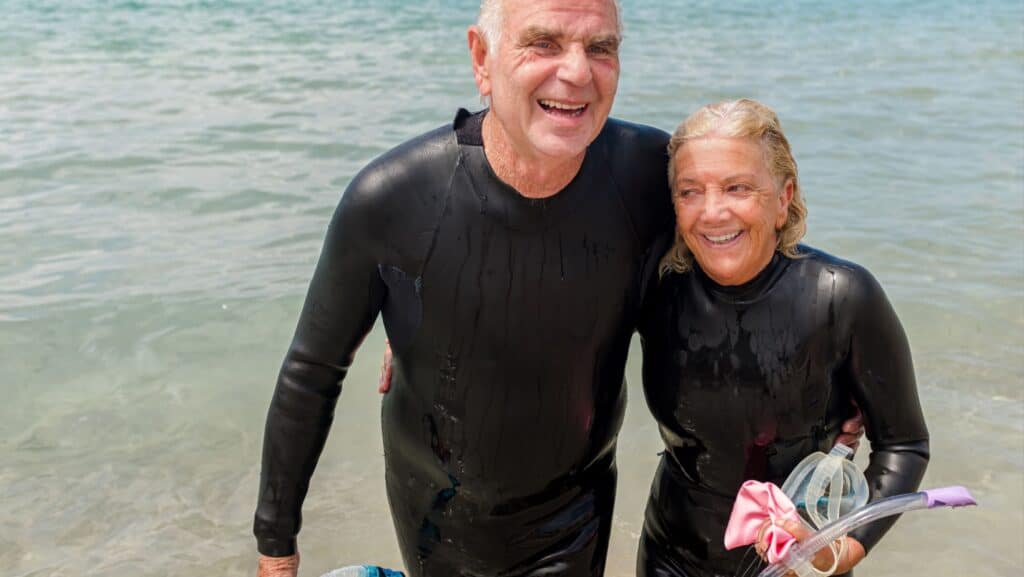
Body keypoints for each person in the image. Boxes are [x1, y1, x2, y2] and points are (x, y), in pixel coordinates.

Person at [254, 2, 674, 576]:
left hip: (575, 509)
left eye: (601, 47)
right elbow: (311, 373)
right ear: (482, 58)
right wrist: (276, 549)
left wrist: (838, 379)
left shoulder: (654, 176)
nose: (578, 71)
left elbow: (743, 272)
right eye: (544, 44)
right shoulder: (393, 200)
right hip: (435, 507)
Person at [636, 99, 930, 577]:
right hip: (671, 555)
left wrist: (843, 550)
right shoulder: (656, 288)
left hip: (798, 562)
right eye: (691, 191)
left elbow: (905, 443)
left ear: (783, 197)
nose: (712, 212)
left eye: (738, 188)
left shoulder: (840, 296)